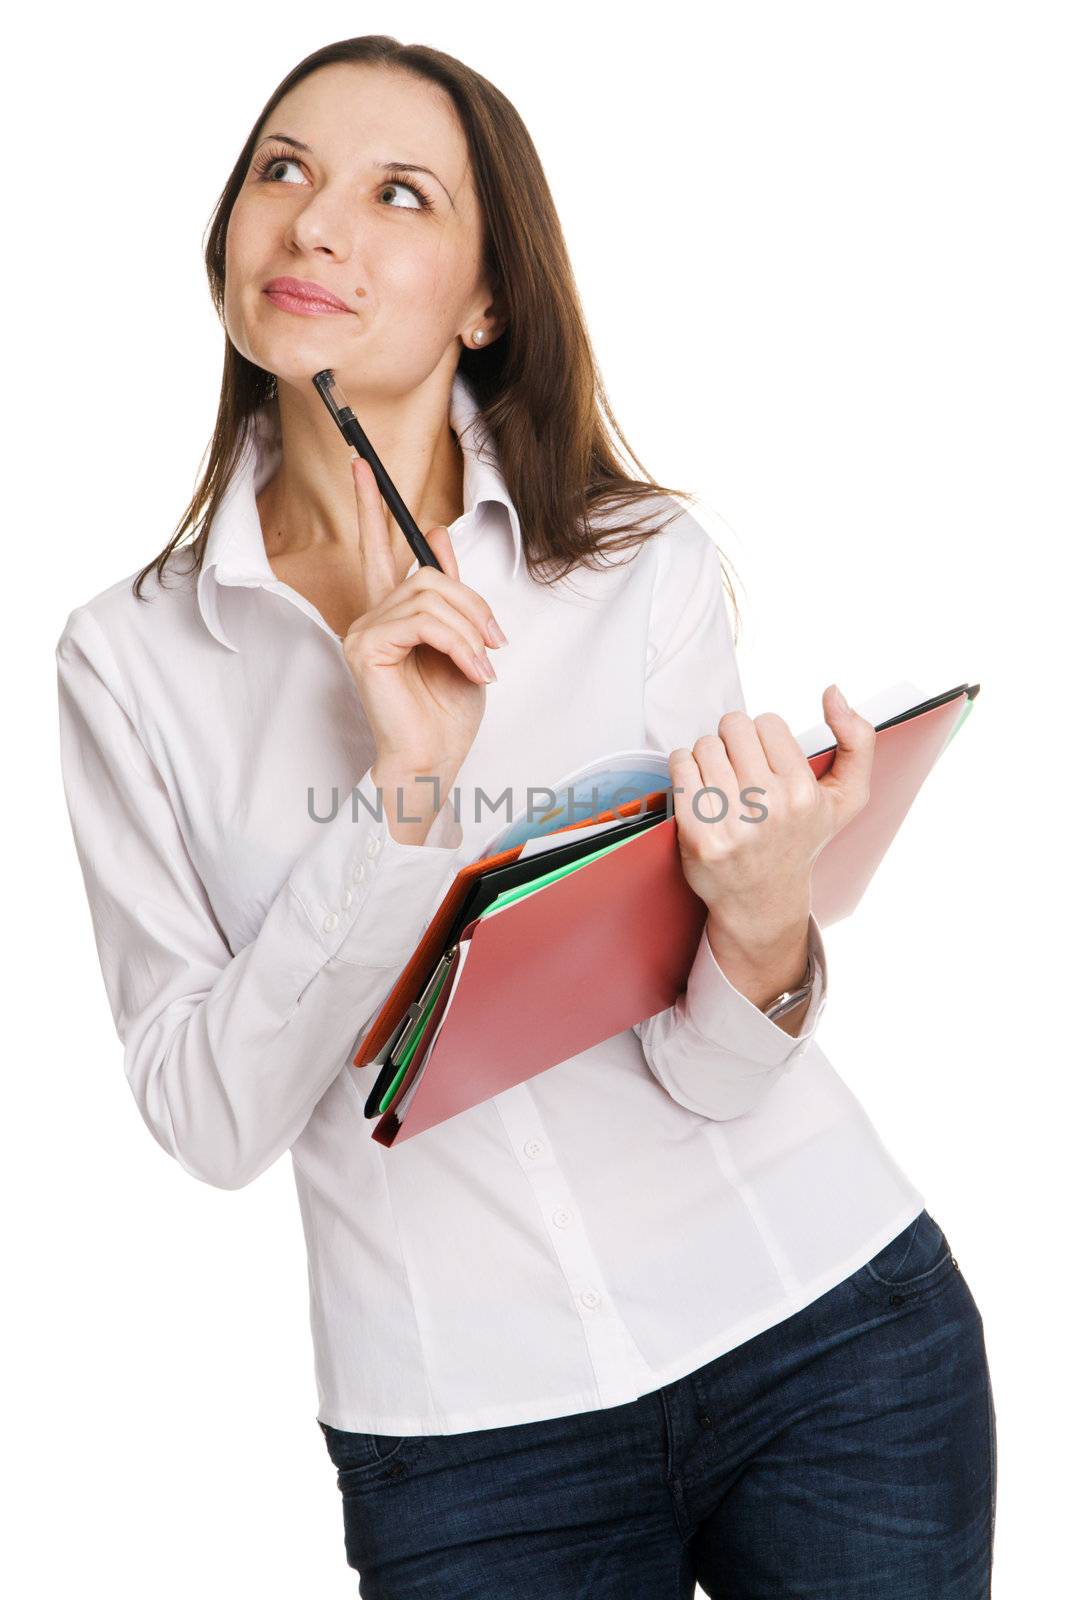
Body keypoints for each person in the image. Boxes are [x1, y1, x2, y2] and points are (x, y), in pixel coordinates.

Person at [54, 34, 996, 1599]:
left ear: (488, 299)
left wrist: (762, 917)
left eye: (395, 193)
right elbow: (209, 1122)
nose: (313, 227)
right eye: (280, 171)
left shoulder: (638, 566)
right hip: (468, 1441)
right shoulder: (130, 660)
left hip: (828, 1335)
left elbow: (710, 1074)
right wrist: (401, 804)